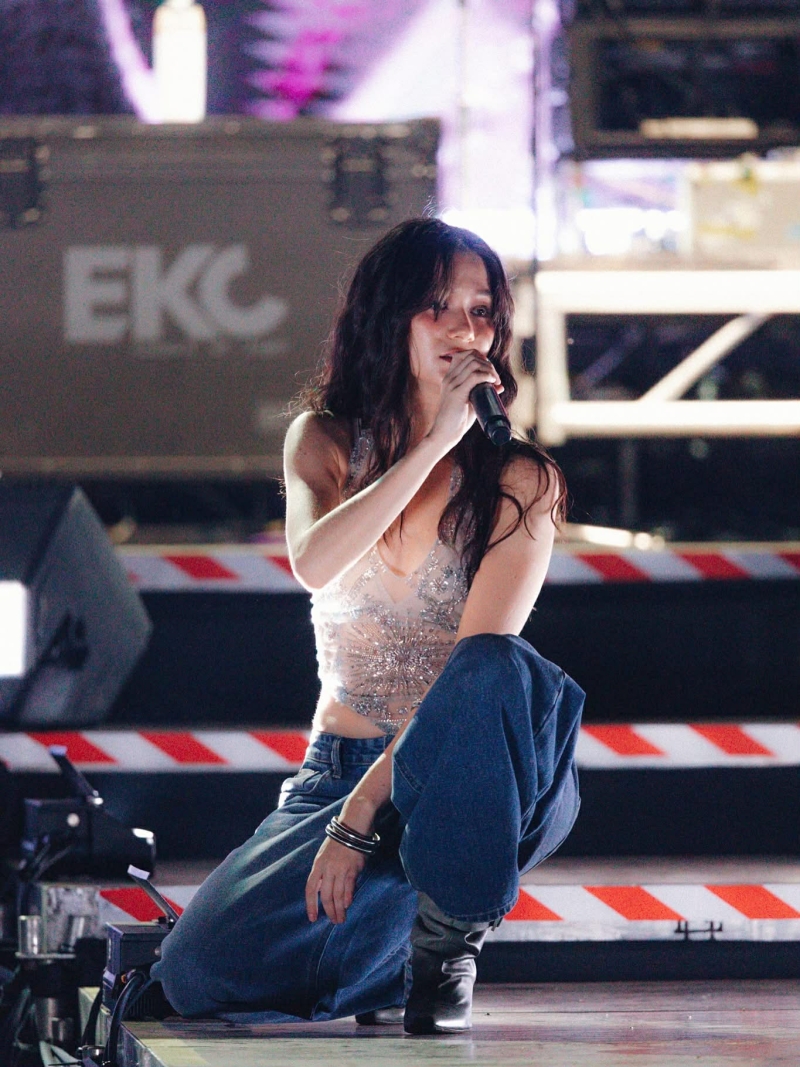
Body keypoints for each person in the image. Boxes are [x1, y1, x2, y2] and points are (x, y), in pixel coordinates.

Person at [151, 217, 584, 1034]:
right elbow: (314, 561)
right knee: (193, 971)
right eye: (437, 306)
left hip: (466, 780)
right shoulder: (321, 442)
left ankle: (445, 949)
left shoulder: (522, 480)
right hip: (335, 768)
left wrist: (360, 819)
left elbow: (474, 677)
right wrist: (431, 444)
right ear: (390, 318)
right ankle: (388, 963)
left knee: (497, 662)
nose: (463, 330)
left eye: (481, 311)